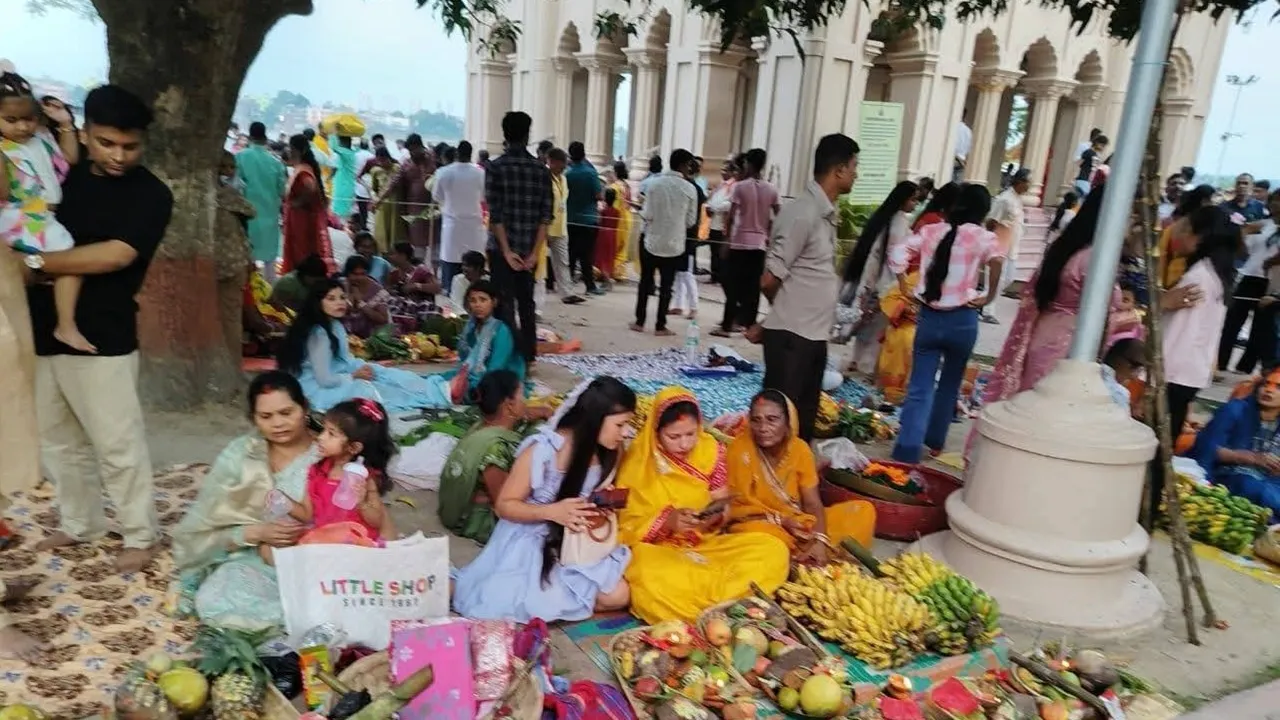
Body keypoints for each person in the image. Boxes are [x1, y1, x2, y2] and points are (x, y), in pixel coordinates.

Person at [24, 84, 173, 575]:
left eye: (130, 146)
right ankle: (81, 522)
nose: (119, 155)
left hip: (104, 334)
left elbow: (117, 254)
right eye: (107, 143)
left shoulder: (152, 193)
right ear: (86, 135)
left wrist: (38, 262)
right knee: (58, 439)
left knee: (116, 443)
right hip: (42, 326)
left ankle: (140, 534)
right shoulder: (60, 177)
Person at [452, 376, 636, 622]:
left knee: (619, 596)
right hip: (532, 538)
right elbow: (505, 506)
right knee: (513, 604)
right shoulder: (544, 449)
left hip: (577, 543)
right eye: (620, 425)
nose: (626, 433)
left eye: (628, 425)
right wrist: (552, 512)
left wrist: (599, 506)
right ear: (596, 418)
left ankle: (561, 592)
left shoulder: (611, 450)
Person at [616, 387, 790, 623]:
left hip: (707, 542)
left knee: (772, 549)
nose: (684, 444)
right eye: (674, 437)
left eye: (691, 434)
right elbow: (624, 525)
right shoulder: (638, 461)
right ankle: (719, 610)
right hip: (659, 550)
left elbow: (721, 501)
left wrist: (715, 515)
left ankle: (718, 607)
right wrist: (667, 521)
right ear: (655, 433)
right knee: (647, 575)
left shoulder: (711, 451)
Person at [173, 372, 317, 629]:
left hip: (316, 559)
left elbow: (349, 517)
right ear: (253, 419)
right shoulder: (242, 454)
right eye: (266, 417)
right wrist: (254, 532)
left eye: (286, 412)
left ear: (304, 407)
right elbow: (202, 527)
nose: (278, 424)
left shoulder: (328, 453)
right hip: (254, 560)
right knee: (215, 601)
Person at [755, 134, 859, 441]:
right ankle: (769, 487)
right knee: (777, 424)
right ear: (838, 170)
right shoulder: (803, 213)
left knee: (804, 421)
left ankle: (793, 485)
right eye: (854, 166)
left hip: (812, 335)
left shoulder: (824, 213)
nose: (857, 174)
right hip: (792, 338)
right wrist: (783, 314)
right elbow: (769, 280)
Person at [889, 183, 1002, 463]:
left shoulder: (930, 231)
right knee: (950, 383)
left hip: (928, 318)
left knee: (920, 387)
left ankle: (907, 449)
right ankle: (935, 441)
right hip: (963, 320)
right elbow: (998, 260)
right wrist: (989, 295)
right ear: (982, 211)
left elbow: (897, 253)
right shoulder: (984, 237)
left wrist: (904, 284)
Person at [982, 185, 1118, 405]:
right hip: (1069, 345)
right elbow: (1106, 314)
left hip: (1043, 334)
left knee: (1030, 402)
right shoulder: (1094, 258)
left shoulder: (1065, 248)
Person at [727, 390, 876, 555]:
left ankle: (813, 554)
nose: (763, 428)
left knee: (862, 511)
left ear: (788, 421)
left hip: (798, 522)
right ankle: (800, 557)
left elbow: (812, 503)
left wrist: (820, 539)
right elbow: (736, 510)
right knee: (766, 540)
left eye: (772, 420)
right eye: (756, 420)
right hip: (761, 525)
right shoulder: (740, 450)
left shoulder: (800, 450)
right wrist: (781, 521)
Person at [1, 72, 89, 352]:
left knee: (61, 264)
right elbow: (3, 193)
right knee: (67, 260)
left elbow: (70, 159)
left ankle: (63, 323)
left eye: (29, 118)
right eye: (11, 120)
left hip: (45, 219)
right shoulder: (4, 149)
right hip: (21, 219)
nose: (22, 127)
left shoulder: (41, 140)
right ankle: (65, 324)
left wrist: (65, 124)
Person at [277, 279, 452, 411]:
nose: (339, 303)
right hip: (316, 389)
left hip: (338, 376)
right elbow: (324, 379)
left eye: (342, 297)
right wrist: (353, 376)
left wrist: (365, 368)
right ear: (318, 303)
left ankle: (442, 389)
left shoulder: (335, 325)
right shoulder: (319, 334)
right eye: (331, 299)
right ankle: (437, 396)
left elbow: (346, 360)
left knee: (384, 373)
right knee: (372, 389)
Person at [274, 398, 397, 549]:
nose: (320, 437)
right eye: (324, 429)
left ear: (354, 448)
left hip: (355, 544)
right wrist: (284, 501)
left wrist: (362, 503)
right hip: (324, 539)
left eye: (331, 434)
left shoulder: (364, 478)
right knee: (269, 549)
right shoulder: (317, 471)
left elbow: (377, 521)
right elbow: (307, 515)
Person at [486, 112, 551, 364]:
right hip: (529, 249)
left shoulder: (496, 167)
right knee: (527, 304)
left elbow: (496, 215)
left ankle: (508, 353)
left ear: (505, 134)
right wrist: (534, 252)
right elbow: (545, 217)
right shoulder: (540, 170)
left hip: (503, 249)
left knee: (503, 303)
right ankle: (529, 355)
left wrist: (505, 250)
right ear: (527, 135)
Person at [837, 180, 919, 374]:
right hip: (886, 281)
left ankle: (856, 360)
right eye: (913, 200)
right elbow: (896, 255)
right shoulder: (899, 221)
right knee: (878, 327)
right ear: (903, 199)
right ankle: (867, 365)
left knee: (865, 323)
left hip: (871, 278)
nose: (915, 204)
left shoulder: (883, 217)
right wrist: (903, 284)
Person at [438, 370, 526, 544]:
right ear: (509, 404)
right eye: (522, 396)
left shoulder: (480, 427)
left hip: (451, 510)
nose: (525, 402)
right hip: (474, 523)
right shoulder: (495, 448)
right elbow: (505, 506)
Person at [1189, 365, 1280, 521]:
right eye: (1266, 384)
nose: (1269, 390)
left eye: (1278, 387)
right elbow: (1206, 449)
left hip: (1270, 481)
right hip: (1230, 474)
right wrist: (1248, 458)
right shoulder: (1235, 409)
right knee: (1253, 487)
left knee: (1267, 491)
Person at [713, 149, 779, 338]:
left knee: (733, 284)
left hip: (740, 242)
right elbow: (779, 215)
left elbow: (732, 216)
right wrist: (770, 234)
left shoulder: (740, 187)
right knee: (753, 286)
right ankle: (749, 324)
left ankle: (727, 325)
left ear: (748, 164)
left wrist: (727, 240)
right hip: (759, 244)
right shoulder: (771, 188)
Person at [633, 148, 698, 337]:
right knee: (666, 286)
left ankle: (639, 321)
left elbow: (648, 214)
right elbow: (690, 222)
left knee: (645, 282)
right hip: (674, 244)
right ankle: (660, 325)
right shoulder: (690, 189)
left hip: (651, 241)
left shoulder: (654, 185)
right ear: (684, 165)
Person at [1218, 185, 1278, 373]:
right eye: (1274, 200)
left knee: (1261, 328)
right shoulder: (1266, 224)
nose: (1276, 204)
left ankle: (1245, 367)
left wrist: (1271, 262)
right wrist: (1242, 240)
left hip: (1272, 282)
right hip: (1251, 275)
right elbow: (1243, 232)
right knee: (1232, 321)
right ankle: (1220, 362)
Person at [454, 279, 527, 398]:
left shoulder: (501, 330)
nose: (478, 305)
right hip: (476, 376)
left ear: (494, 302)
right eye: (473, 300)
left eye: (483, 300)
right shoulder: (471, 327)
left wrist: (474, 385)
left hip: (499, 380)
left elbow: (496, 367)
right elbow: (465, 358)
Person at [215, 150, 257, 360]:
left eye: (231, 167)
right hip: (231, 263)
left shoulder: (214, 193)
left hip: (222, 264)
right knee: (230, 317)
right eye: (223, 167)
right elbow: (250, 211)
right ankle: (231, 363)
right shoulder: (226, 194)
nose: (227, 172)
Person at [235, 122, 288, 281]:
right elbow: (282, 191)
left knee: (246, 257)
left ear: (250, 137)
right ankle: (269, 294)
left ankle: (247, 294)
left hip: (246, 215)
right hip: (269, 215)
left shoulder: (240, 157)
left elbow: (234, 185)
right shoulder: (276, 163)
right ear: (265, 139)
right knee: (269, 260)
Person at [434, 140, 487, 290]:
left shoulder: (444, 172)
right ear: (471, 154)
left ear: (457, 153)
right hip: (473, 224)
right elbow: (483, 197)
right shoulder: (480, 173)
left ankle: (451, 300)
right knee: (473, 264)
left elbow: (437, 196)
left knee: (451, 264)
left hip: (452, 224)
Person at [282, 134, 336, 276]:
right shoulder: (301, 167)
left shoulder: (304, 169)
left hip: (301, 219)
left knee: (301, 249)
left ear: (300, 150)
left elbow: (310, 186)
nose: (290, 151)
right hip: (298, 217)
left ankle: (302, 277)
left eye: (292, 148)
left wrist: (297, 202)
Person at [373, 134, 434, 259]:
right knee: (418, 246)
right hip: (414, 210)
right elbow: (392, 183)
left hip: (434, 208)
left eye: (413, 150)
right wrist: (379, 200)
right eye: (409, 151)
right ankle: (419, 271)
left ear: (420, 147)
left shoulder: (433, 160)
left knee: (436, 244)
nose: (411, 154)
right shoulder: (406, 164)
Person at [982, 168, 1030, 323]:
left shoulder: (1017, 199)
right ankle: (987, 310)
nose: (1029, 186)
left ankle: (980, 301)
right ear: (1020, 181)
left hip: (1012, 245)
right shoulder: (1004, 199)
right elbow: (991, 221)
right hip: (1000, 243)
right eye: (1028, 182)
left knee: (1007, 279)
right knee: (996, 278)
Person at [543, 147, 583, 306]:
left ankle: (567, 293)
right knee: (538, 263)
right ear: (551, 162)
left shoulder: (563, 179)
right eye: (561, 164)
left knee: (563, 261)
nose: (564, 167)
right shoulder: (544, 177)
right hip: (544, 227)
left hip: (560, 227)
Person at [565, 141, 604, 297]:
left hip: (570, 219)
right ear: (584, 154)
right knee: (587, 254)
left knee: (571, 254)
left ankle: (567, 284)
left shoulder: (566, 174)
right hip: (588, 219)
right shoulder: (590, 173)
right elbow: (598, 195)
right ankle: (590, 285)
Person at [1158, 183, 1216, 289]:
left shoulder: (1184, 222)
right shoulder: (1187, 225)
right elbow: (1178, 248)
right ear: (1204, 202)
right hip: (1174, 278)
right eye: (1213, 202)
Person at [340, 255, 392, 339]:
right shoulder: (339, 286)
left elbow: (383, 319)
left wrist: (361, 303)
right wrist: (347, 294)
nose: (359, 278)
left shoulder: (377, 291)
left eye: (362, 274)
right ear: (348, 274)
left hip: (371, 338)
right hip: (344, 336)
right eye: (355, 274)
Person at [705, 159, 738, 285]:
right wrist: (709, 206)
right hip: (714, 222)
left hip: (723, 223)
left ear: (732, 171)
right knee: (714, 252)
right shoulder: (721, 185)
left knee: (721, 253)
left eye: (725, 170)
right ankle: (714, 275)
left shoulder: (733, 186)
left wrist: (713, 207)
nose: (722, 172)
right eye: (722, 169)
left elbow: (728, 204)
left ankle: (721, 276)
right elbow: (712, 199)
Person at [367, 147, 403, 252]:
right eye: (378, 161)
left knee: (395, 233)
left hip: (395, 207)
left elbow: (393, 186)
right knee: (381, 233)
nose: (381, 163)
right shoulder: (375, 171)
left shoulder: (397, 168)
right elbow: (373, 189)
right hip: (381, 208)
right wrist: (373, 200)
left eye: (383, 160)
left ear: (388, 158)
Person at [609, 160, 634, 280]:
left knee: (614, 245)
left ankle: (613, 270)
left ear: (615, 172)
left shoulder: (614, 187)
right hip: (628, 218)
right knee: (622, 247)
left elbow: (612, 205)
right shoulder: (627, 186)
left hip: (617, 219)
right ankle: (620, 272)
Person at [328, 134, 358, 220]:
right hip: (345, 182)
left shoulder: (345, 152)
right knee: (341, 205)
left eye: (339, 141)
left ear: (344, 142)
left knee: (341, 208)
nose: (339, 143)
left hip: (344, 184)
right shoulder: (351, 152)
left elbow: (333, 148)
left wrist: (333, 133)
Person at [596, 186, 621, 287]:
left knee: (602, 257)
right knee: (609, 257)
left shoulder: (603, 211)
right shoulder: (617, 212)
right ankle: (607, 276)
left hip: (603, 234)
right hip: (613, 235)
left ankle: (606, 279)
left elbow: (600, 222)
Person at [449, 249, 487, 315]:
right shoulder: (458, 279)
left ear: (478, 268)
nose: (463, 268)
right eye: (463, 265)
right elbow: (456, 304)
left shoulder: (488, 281)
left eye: (467, 266)